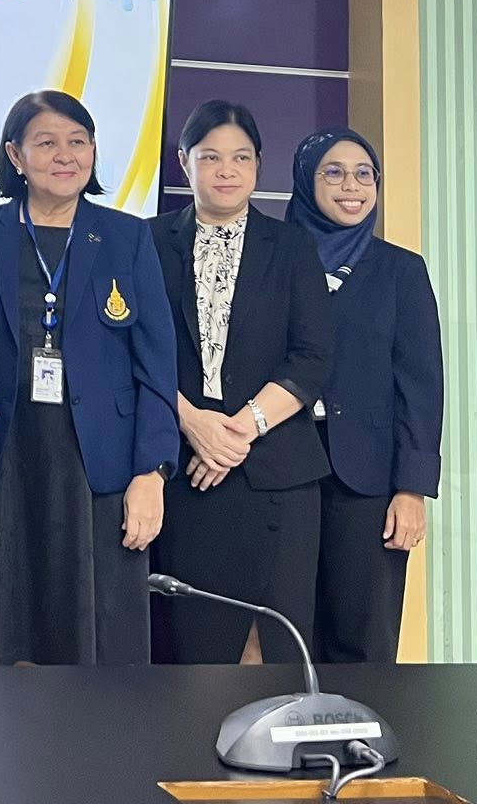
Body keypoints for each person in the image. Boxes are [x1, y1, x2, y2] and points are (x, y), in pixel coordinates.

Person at [0, 90, 179, 665]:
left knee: (101, 644)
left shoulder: (127, 237)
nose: (65, 155)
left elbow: (156, 364)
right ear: (15, 155)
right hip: (7, 457)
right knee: (5, 633)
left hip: (101, 461)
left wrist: (151, 472)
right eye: (46, 143)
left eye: (78, 142)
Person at [151, 100, 333, 665]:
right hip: (185, 474)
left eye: (241, 157)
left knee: (268, 649)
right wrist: (193, 423)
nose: (226, 170)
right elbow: (134, 350)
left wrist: (237, 431)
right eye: (210, 157)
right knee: (191, 651)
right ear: (185, 162)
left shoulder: (294, 246)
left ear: (258, 164)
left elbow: (313, 356)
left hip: (276, 472)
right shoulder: (147, 242)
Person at [288, 127, 444, 664]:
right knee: (287, 636)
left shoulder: (401, 270)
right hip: (282, 469)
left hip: (370, 479)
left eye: (364, 174)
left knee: (365, 639)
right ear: (306, 181)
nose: (351, 186)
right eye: (333, 172)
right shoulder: (273, 260)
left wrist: (412, 488)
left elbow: (421, 386)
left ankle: (361, 723)